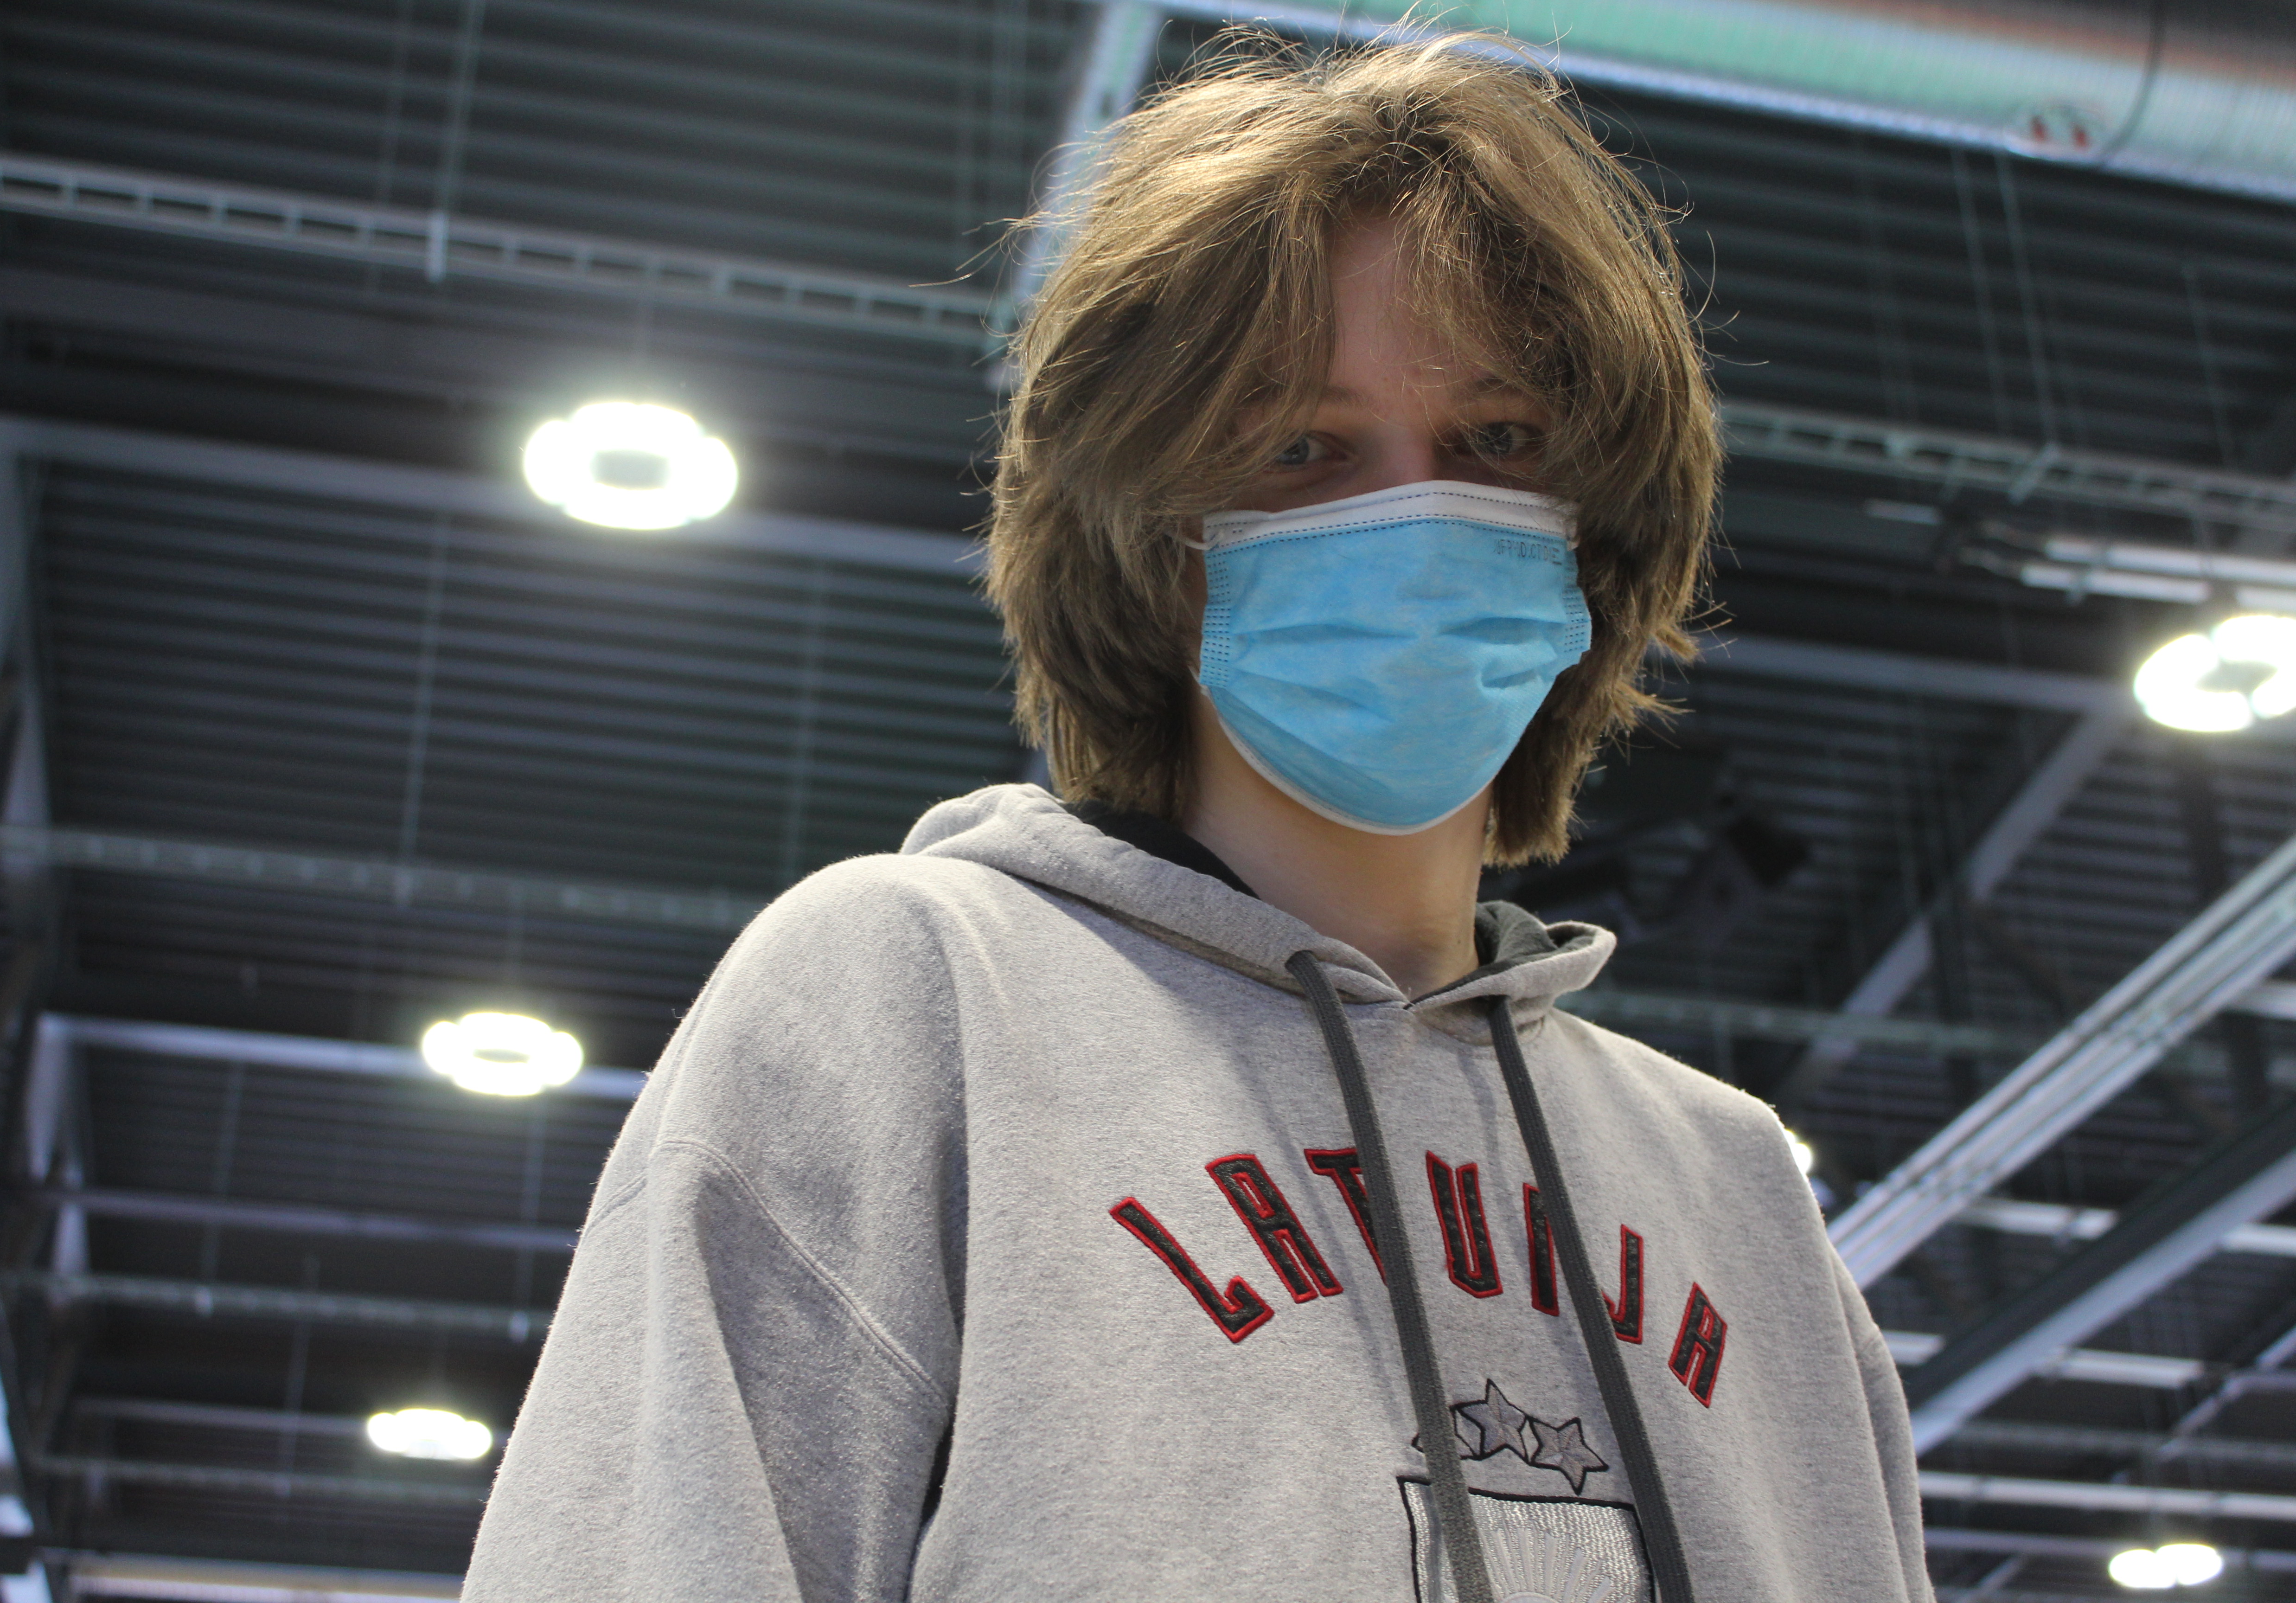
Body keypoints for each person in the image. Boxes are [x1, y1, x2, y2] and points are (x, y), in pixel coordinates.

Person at [462, 32, 1932, 1603]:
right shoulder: (909, 998)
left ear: (1596, 531)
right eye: (1303, 449)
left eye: (1498, 443)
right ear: (1154, 542)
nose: (1413, 514)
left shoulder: (1734, 1186)